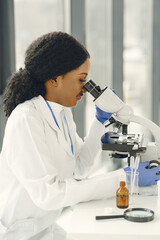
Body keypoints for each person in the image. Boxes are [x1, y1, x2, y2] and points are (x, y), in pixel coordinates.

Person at [0, 31, 159, 240]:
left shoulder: (62, 111)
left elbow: (79, 167)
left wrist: (99, 121)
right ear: (55, 79)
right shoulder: (26, 119)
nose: (85, 88)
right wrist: (125, 178)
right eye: (81, 79)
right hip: (21, 233)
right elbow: (50, 195)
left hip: (48, 226)